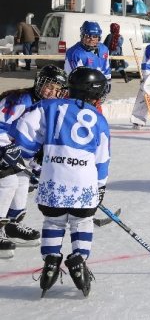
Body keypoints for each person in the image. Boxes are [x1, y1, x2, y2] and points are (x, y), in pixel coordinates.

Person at [1, 67, 110, 297]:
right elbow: (102, 159)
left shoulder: (46, 106)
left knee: (53, 222)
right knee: (82, 223)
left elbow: (25, 134)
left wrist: (31, 155)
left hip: (52, 183)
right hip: (84, 186)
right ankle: (79, 259)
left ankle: (51, 260)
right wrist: (100, 186)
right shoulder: (99, 119)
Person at [0, 66, 67, 258]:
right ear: (39, 83)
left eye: (57, 89)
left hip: (18, 156)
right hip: (3, 150)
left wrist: (38, 163)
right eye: (49, 86)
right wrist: (6, 148)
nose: (52, 92)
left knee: (22, 183)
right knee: (9, 182)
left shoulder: (49, 106)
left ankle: (12, 225)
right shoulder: (20, 100)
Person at [64, 21, 111, 111]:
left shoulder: (104, 49)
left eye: (95, 36)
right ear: (82, 36)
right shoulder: (75, 53)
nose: (91, 39)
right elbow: (75, 76)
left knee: (96, 116)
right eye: (88, 36)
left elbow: (106, 67)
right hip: (80, 92)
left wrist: (107, 82)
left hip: (96, 91)